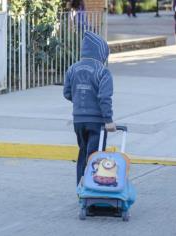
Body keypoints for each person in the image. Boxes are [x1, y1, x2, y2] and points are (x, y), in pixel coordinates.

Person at [63, 31, 116, 186]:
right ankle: (92, 187)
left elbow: (67, 93)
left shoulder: (72, 68)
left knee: (83, 151)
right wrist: (108, 120)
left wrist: (79, 103)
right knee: (95, 155)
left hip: (78, 120)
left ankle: (80, 186)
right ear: (101, 52)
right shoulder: (103, 71)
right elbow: (104, 98)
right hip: (97, 122)